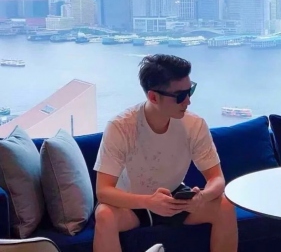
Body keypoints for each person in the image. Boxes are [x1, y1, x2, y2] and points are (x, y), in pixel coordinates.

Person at [93, 54, 238, 252]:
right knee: (104, 215)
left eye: (190, 91)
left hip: (175, 197)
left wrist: (202, 197)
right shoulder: (121, 127)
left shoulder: (194, 125)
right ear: (153, 97)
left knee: (225, 205)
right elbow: (103, 191)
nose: (188, 101)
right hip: (132, 202)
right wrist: (148, 202)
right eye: (180, 96)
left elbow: (217, 179)